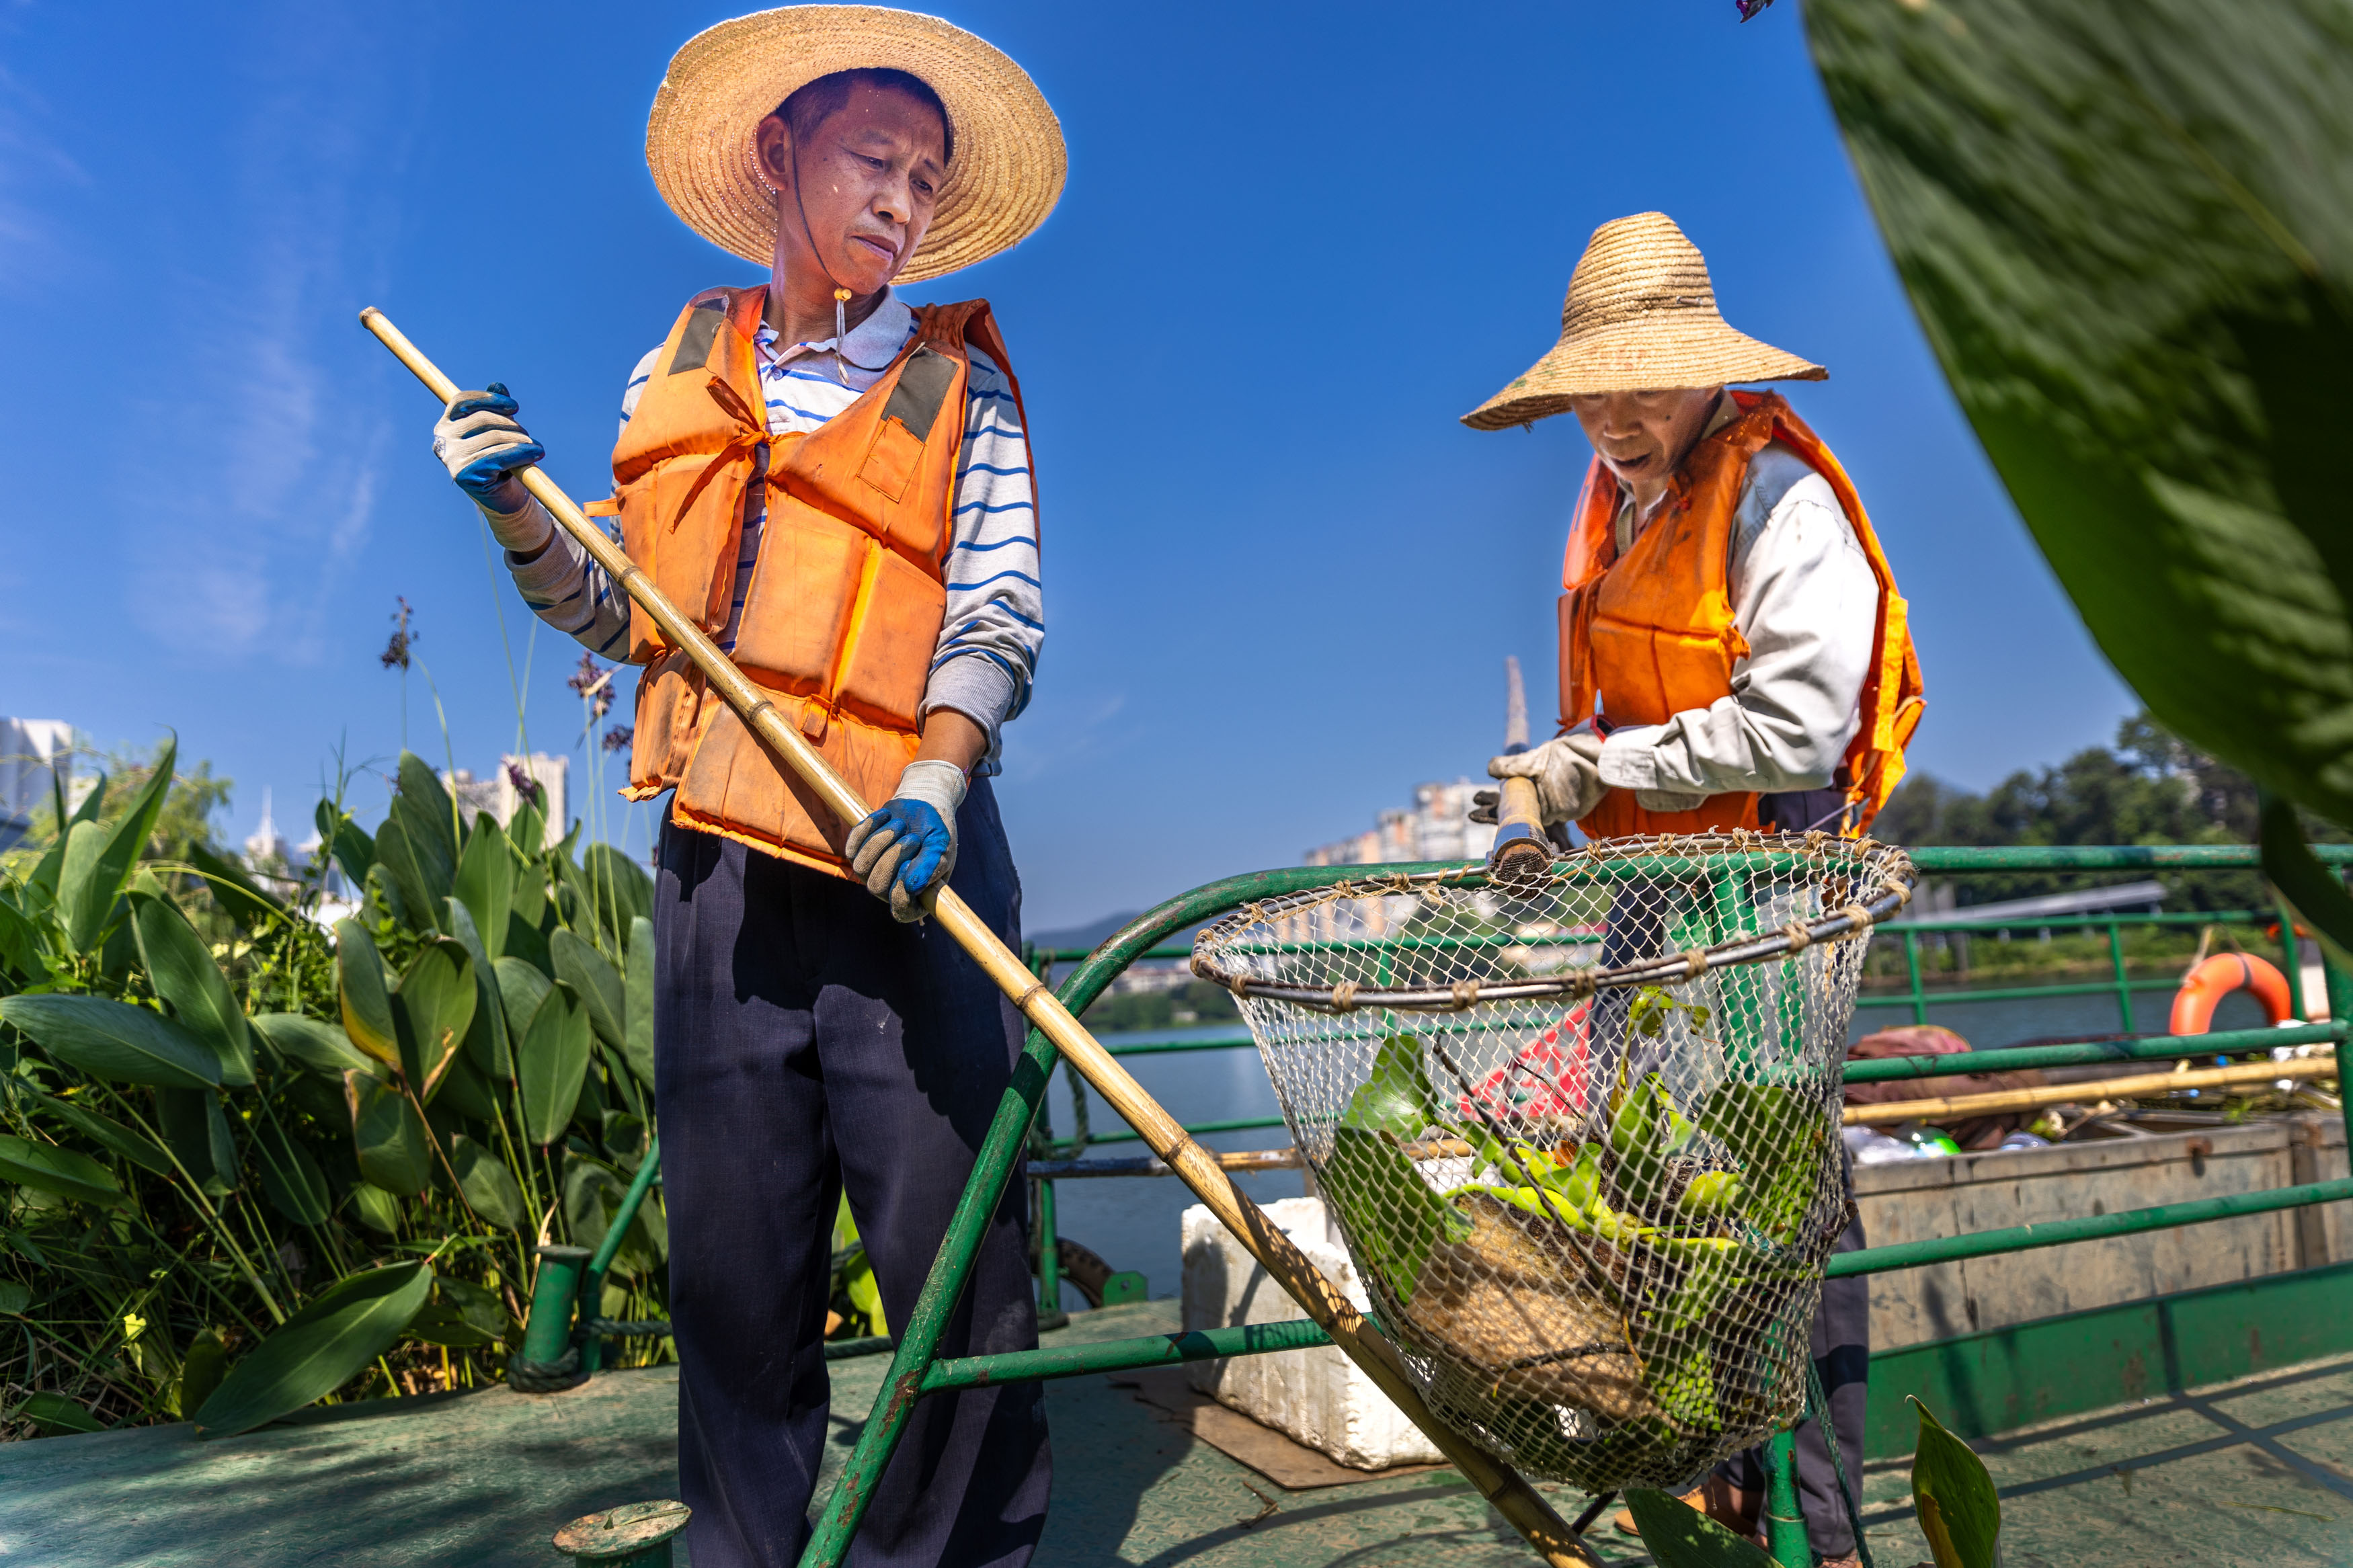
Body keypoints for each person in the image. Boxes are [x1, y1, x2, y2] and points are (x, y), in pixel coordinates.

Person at [425, 11, 1064, 1566]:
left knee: (949, 1258)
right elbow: (618, 608)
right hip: (717, 875)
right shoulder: (678, 365)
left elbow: (994, 613)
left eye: (925, 179)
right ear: (780, 157)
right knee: (733, 1263)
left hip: (907, 864)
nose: (902, 203)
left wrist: (931, 783)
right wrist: (519, 507)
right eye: (874, 161)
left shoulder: (958, 389)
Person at [1462, 212, 1925, 1566]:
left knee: (1781, 1216)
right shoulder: (1623, 500)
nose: (1611, 412)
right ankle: (1717, 1492)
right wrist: (1553, 786)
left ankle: (1828, 1537)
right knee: (1658, 1198)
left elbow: (1799, 721)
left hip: (1770, 891)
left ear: (1704, 367)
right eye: (1591, 388)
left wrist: (1592, 761)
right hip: (1655, 893)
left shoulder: (1776, 497)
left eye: (1642, 379)